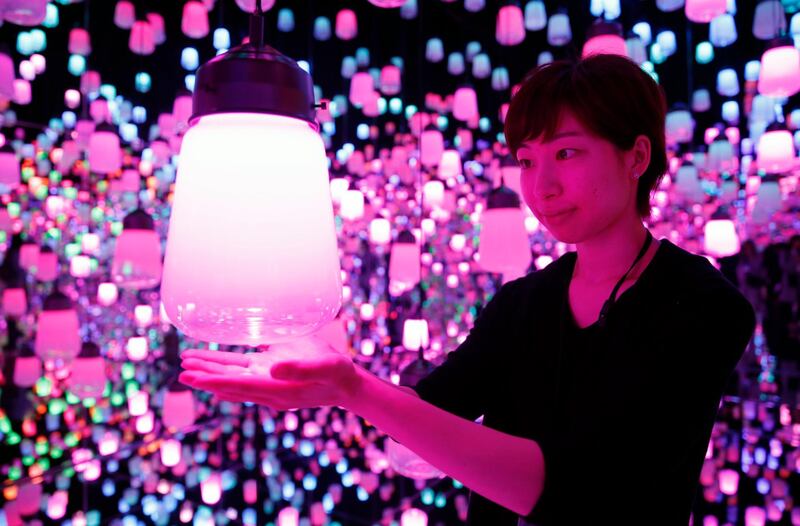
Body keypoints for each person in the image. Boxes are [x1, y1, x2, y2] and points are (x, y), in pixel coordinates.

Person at [179, 54, 757, 525]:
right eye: (527, 160)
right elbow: (425, 421)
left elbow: (580, 489)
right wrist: (337, 378)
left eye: (567, 152)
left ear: (637, 156)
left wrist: (352, 388)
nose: (543, 185)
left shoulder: (703, 306)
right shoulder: (522, 304)